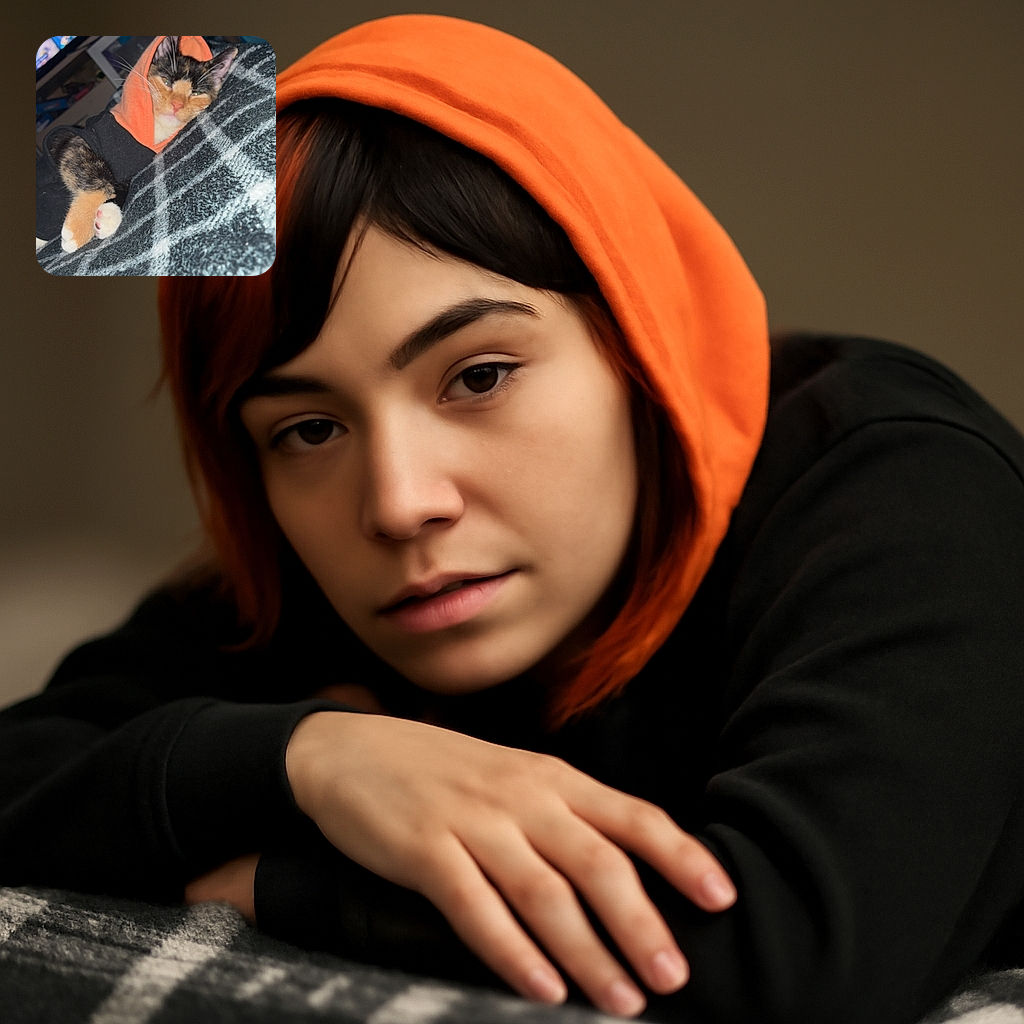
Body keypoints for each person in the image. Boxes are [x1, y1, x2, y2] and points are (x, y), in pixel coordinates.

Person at [3, 15, 1023, 1024]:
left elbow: (783, 962)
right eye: (309, 429)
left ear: (635, 338)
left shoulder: (899, 484)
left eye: (478, 376)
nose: (400, 504)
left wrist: (291, 887)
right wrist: (311, 758)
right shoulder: (314, 569)